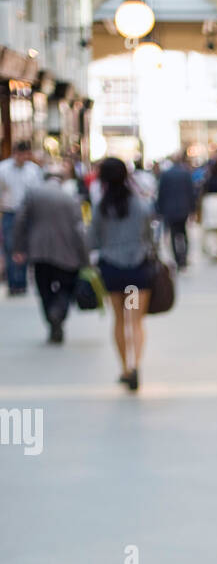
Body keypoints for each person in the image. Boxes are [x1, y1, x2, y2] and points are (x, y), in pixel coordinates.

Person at [88, 156, 154, 393]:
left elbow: (92, 240)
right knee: (135, 320)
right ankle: (136, 364)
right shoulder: (140, 205)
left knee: (119, 318)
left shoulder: (100, 207)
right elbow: (150, 238)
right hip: (137, 271)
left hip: (112, 271)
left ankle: (125, 368)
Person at [10, 161, 88, 343]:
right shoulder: (71, 199)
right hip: (67, 253)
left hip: (39, 251)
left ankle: (52, 319)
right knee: (67, 286)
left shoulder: (33, 195)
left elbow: (19, 221)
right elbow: (79, 231)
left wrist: (18, 248)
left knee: (44, 288)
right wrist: (85, 258)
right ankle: (59, 310)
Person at [0, 141, 42, 295]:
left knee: (25, 247)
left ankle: (22, 282)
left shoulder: (33, 170)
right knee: (10, 247)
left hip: (27, 213)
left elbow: (37, 193)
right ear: (15, 153)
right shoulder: (3, 169)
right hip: (9, 212)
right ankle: (13, 283)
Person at [156, 151, 195, 269]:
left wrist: (159, 210)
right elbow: (191, 192)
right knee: (183, 233)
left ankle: (178, 259)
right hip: (183, 208)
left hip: (170, 209)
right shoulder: (186, 174)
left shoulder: (166, 174)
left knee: (174, 234)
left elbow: (161, 193)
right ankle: (184, 257)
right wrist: (192, 209)